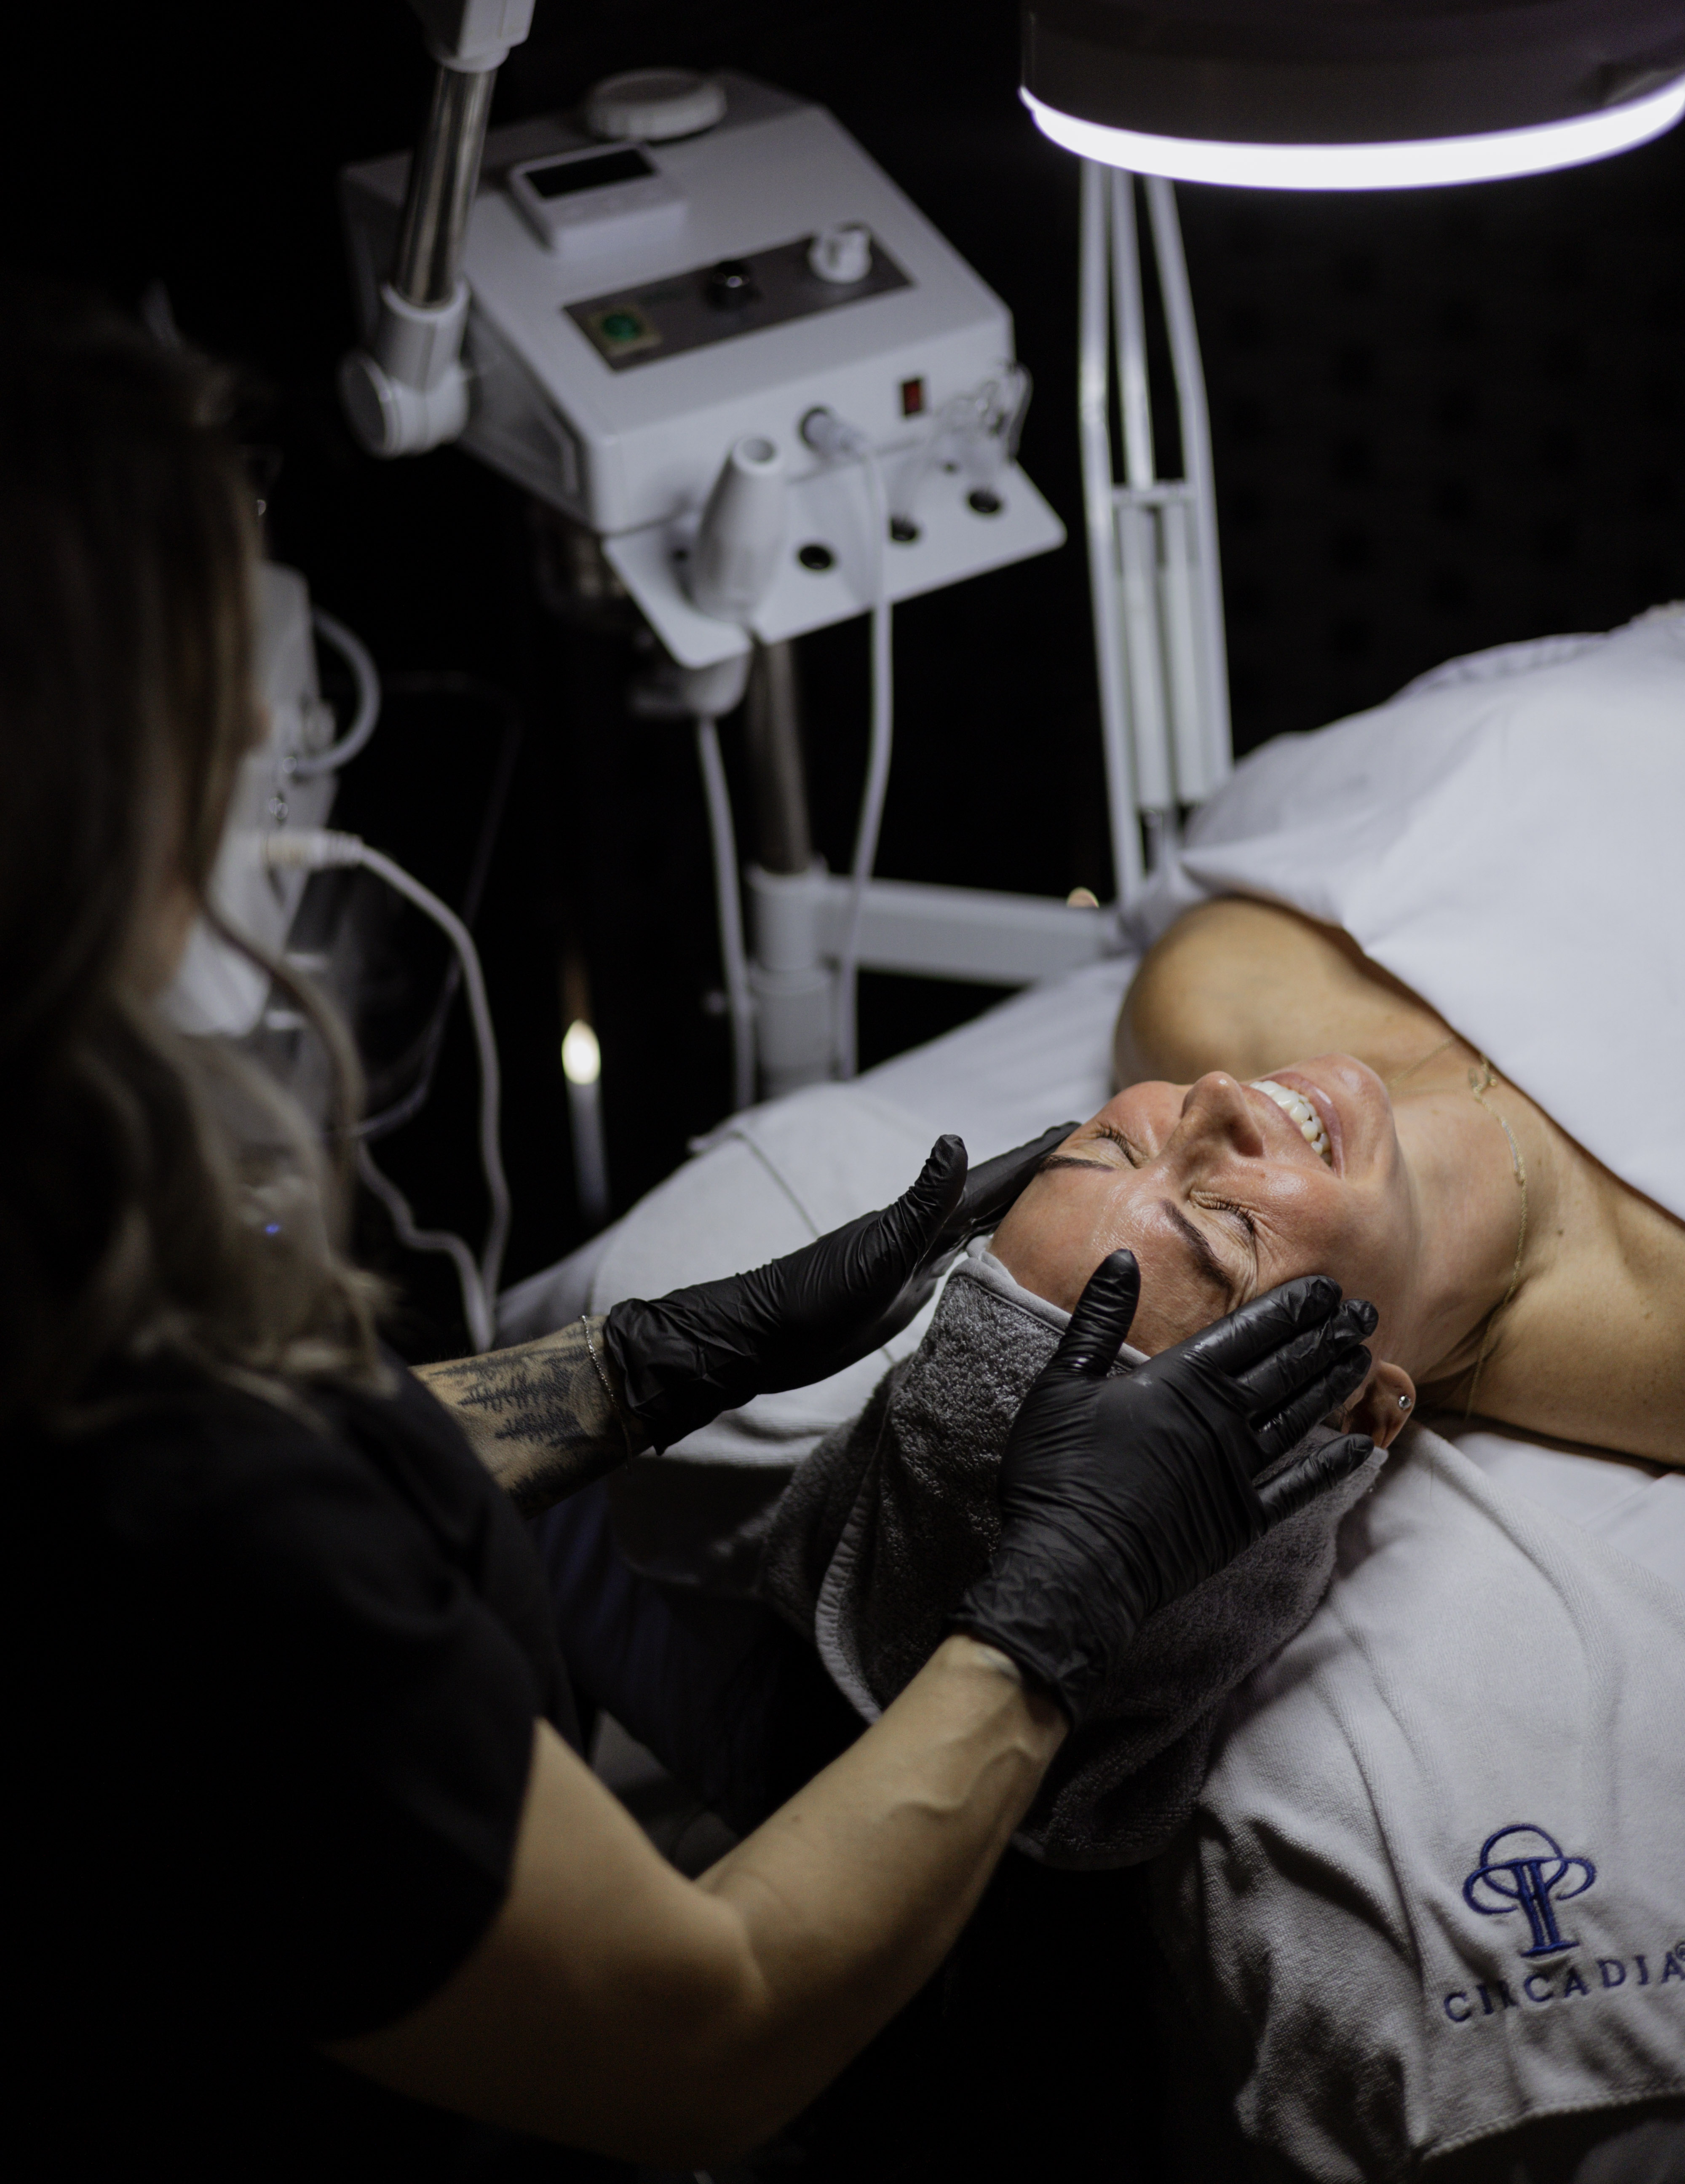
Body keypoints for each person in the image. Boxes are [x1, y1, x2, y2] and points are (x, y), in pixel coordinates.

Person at [0, 286, 1376, 2181]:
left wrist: (646, 1363)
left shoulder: (83, 1265)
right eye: (211, 719)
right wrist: (1050, 1622)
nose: (265, 735)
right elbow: (706, 2032)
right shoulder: (196, 1534)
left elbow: (307, 1465)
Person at [985, 891, 1685, 1466]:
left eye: (1115, 1147)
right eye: (1231, 1223)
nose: (1216, 1097)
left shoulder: (1212, 989)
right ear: (1363, 1409)